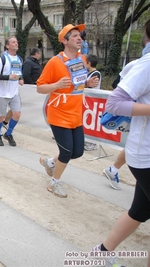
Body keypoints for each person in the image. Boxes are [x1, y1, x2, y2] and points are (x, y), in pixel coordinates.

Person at [92, 19, 150, 267]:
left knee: (140, 211)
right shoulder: (147, 64)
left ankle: (102, 251)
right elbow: (114, 103)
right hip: (145, 154)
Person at [36, 24, 99, 198]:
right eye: (74, 36)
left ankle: (49, 162)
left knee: (77, 152)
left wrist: (87, 84)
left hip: (75, 114)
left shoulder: (81, 59)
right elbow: (40, 88)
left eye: (80, 36)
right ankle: (54, 183)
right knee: (66, 152)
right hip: (58, 114)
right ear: (64, 41)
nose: (79, 38)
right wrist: (56, 85)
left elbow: (76, 83)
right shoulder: (54, 62)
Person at [102, 29, 150, 191]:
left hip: (141, 137)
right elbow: (117, 91)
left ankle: (113, 169)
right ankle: (114, 168)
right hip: (143, 142)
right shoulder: (140, 64)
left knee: (138, 212)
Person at [0, 37, 24, 147]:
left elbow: (18, 72)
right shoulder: (2, 59)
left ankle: (8, 134)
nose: (16, 43)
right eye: (13, 42)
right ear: (7, 46)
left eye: (16, 41)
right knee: (0, 116)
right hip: (2, 92)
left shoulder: (19, 59)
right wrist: (8, 77)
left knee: (17, 114)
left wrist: (20, 78)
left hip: (14, 92)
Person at [84, 54, 102, 151]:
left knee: (92, 120)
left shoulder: (96, 74)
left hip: (93, 100)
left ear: (89, 63)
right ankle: (87, 140)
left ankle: (92, 143)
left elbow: (91, 86)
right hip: (87, 100)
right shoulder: (88, 74)